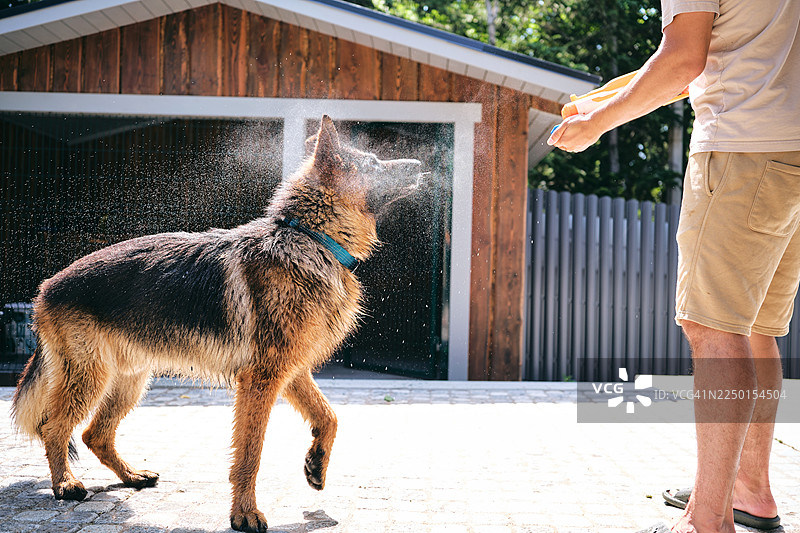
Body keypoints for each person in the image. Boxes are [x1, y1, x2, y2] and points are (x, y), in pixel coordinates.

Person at [547, 1, 800, 533]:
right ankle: (749, 490)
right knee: (756, 328)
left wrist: (597, 124)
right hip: (789, 151)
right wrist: (610, 98)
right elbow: (727, 50)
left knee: (714, 328)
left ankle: (705, 522)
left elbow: (685, 59)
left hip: (741, 148)